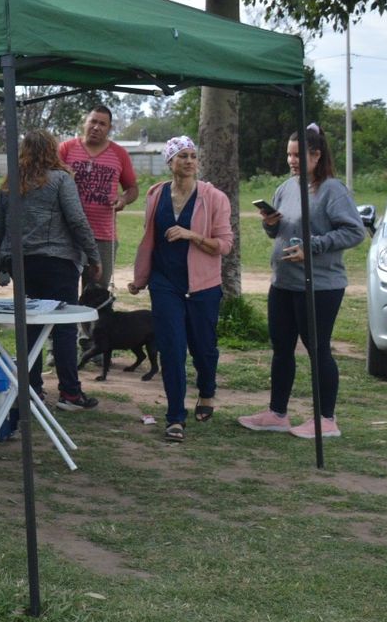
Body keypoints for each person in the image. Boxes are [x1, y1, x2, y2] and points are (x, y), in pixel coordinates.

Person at [238, 125, 364, 439]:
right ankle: (277, 414)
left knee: (317, 349)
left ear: (316, 155)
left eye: (298, 155)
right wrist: (270, 225)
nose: (292, 160)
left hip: (320, 285)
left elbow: (354, 232)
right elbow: (280, 231)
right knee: (281, 348)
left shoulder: (332, 190)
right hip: (283, 282)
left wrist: (314, 246)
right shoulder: (287, 187)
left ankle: (326, 420)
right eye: (289, 155)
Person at [128, 135, 233, 443]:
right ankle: (175, 417)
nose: (189, 160)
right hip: (165, 285)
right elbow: (150, 239)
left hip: (203, 286)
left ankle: (207, 391)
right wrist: (141, 278)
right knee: (172, 350)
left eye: (192, 155)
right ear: (170, 162)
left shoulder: (214, 198)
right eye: (182, 156)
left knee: (203, 348)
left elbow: (225, 245)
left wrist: (192, 235)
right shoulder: (155, 195)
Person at [0, 130, 102, 410]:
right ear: (53, 151)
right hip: (59, 264)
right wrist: (93, 256)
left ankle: (32, 390)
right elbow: (77, 220)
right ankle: (70, 394)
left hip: (22, 264)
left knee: (29, 328)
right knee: (64, 328)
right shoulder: (61, 180)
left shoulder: (10, 185)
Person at [59, 105, 139, 293]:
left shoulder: (119, 154)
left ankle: (91, 325)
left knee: (95, 295)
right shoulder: (66, 149)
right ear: (84, 123)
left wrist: (123, 200)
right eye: (93, 121)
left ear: (109, 128)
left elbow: (133, 189)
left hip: (103, 236)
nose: (96, 127)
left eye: (102, 124)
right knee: (63, 291)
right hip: (67, 234)